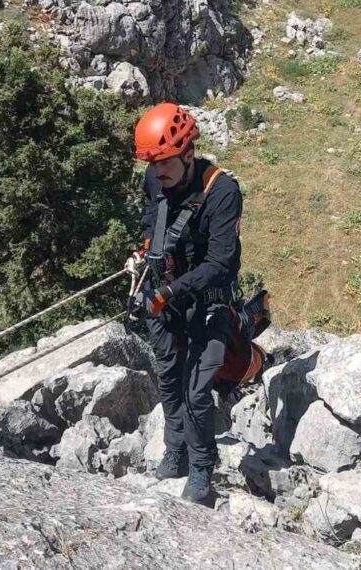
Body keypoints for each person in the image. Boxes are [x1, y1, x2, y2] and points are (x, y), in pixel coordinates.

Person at [128, 102, 243, 503]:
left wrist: (172, 292)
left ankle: (200, 468)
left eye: (166, 165)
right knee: (169, 375)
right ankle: (174, 450)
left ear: (188, 154)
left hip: (206, 301)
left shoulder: (222, 192)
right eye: (154, 165)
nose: (159, 174)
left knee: (196, 390)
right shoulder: (155, 177)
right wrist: (144, 251)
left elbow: (221, 262)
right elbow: (150, 217)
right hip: (165, 297)